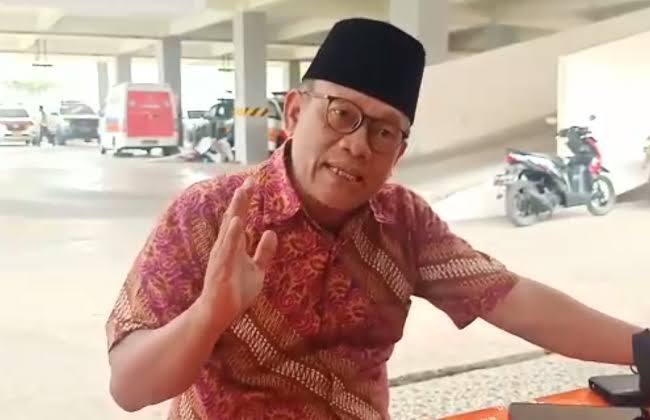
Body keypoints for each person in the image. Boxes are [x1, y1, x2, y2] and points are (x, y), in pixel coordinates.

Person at [105, 18, 643, 420]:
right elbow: (130, 388)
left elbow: (509, 298)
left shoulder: (403, 221)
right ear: (294, 112)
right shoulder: (209, 214)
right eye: (341, 114)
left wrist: (643, 347)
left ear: (399, 151)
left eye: (384, 131)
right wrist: (208, 316)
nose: (358, 145)